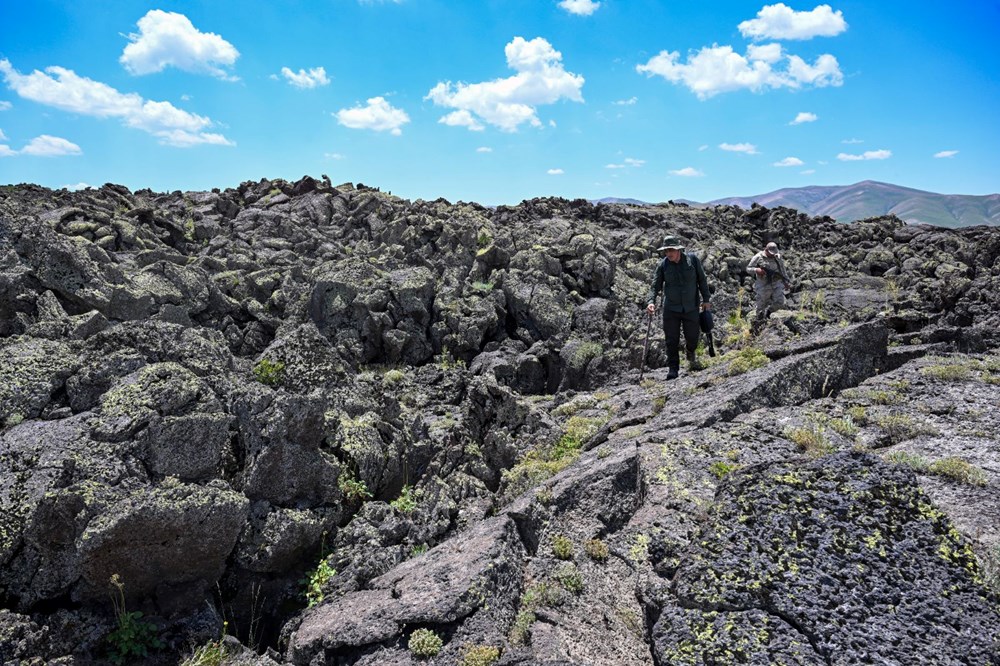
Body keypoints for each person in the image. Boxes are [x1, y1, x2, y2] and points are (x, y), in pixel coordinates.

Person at [646, 235, 712, 379]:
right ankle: (673, 369)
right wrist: (650, 301)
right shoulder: (662, 265)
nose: (668, 253)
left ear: (678, 250)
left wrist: (706, 299)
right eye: (666, 250)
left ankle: (690, 351)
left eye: (671, 250)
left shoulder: (692, 260)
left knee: (693, 337)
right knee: (671, 340)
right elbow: (654, 285)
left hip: (691, 307)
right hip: (671, 309)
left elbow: (702, 280)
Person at [746, 241, 792, 328]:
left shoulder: (777, 257)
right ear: (766, 250)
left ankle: (769, 313)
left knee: (780, 302)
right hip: (763, 285)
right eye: (771, 253)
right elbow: (748, 268)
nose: (772, 255)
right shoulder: (758, 257)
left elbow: (782, 270)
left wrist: (786, 282)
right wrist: (756, 270)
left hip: (776, 283)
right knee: (761, 306)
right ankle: (758, 325)